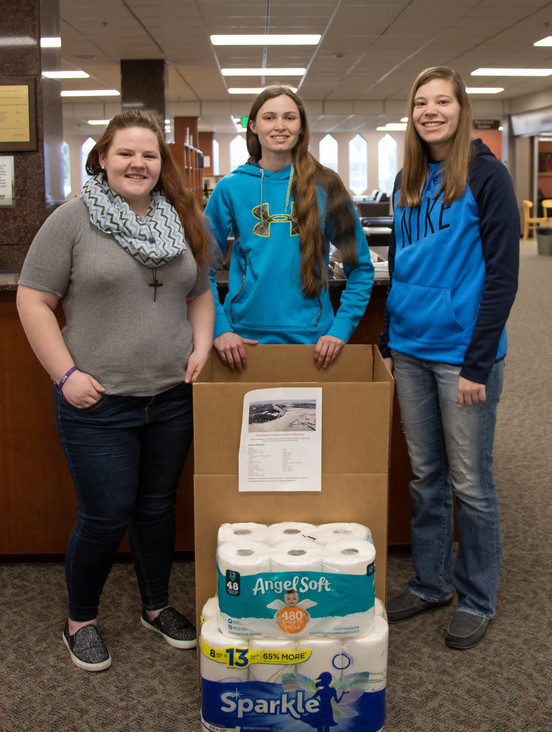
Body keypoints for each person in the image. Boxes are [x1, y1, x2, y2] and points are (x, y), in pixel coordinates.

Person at [17, 110, 215, 671]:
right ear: (102, 158)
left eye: (149, 155)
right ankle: (80, 619)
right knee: (105, 515)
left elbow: (199, 290)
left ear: (161, 164)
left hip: (171, 396)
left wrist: (200, 345)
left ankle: (156, 607)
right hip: (98, 401)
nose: (138, 163)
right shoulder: (73, 220)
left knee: (156, 508)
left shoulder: (182, 219)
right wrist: (65, 375)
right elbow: (33, 299)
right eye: (125, 153)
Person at [379, 67, 519, 649]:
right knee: (426, 476)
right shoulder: (408, 177)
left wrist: (477, 364)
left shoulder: (487, 176)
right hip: (410, 348)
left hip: (462, 355)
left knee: (471, 483)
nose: (430, 110)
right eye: (420, 102)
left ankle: (478, 596)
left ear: (461, 109)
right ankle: (432, 582)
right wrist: (389, 338)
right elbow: (403, 262)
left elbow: (504, 277)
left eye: (442, 101)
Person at [205, 85, 374, 372]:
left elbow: (360, 268)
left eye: (289, 118)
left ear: (301, 127)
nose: (280, 126)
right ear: (253, 125)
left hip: (313, 343)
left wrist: (340, 330)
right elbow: (200, 268)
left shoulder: (326, 185)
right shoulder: (231, 188)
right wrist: (220, 329)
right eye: (269, 117)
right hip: (244, 342)